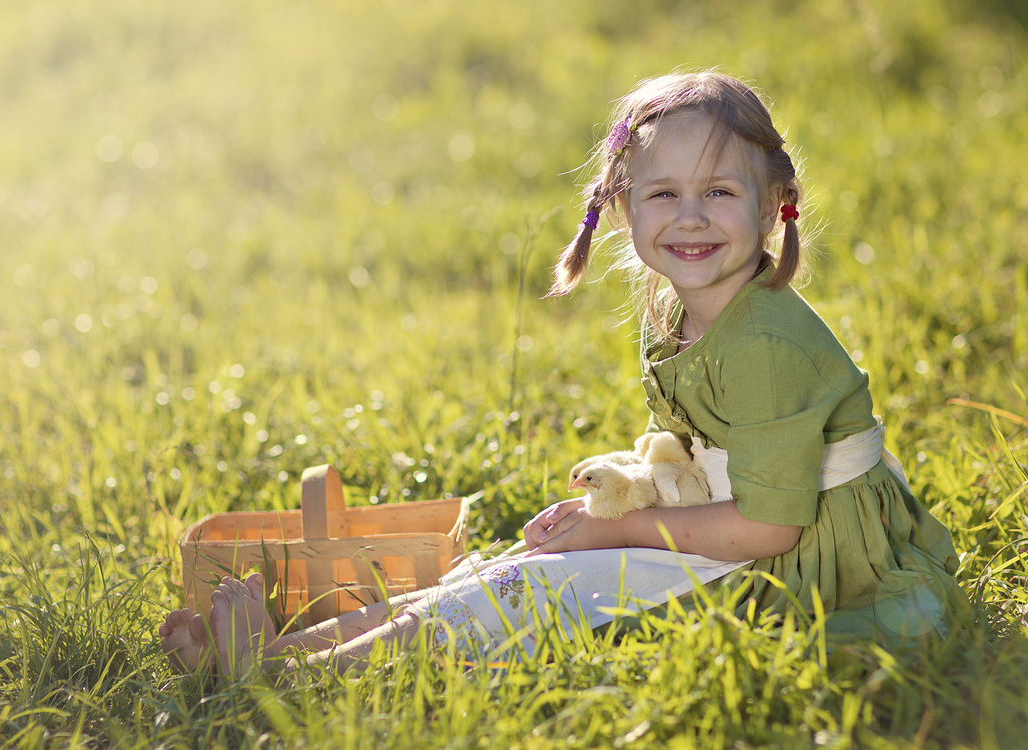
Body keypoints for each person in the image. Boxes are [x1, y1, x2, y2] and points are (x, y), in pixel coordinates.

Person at [160, 70, 962, 680]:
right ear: (623, 206)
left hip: (802, 560)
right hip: (738, 517)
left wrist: (616, 528)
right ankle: (288, 652)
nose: (689, 216)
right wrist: (620, 506)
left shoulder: (767, 345)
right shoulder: (684, 308)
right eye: (663, 193)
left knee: (529, 597)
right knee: (517, 568)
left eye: (719, 191)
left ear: (771, 204)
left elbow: (770, 527)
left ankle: (289, 678)